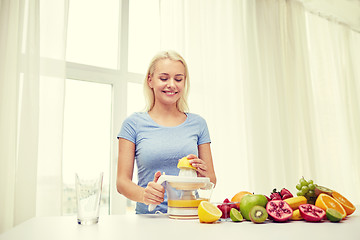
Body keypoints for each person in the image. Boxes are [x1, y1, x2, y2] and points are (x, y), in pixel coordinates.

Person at [116, 50, 216, 214]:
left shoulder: (198, 124)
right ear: (150, 80)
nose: (172, 84)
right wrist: (145, 195)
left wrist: (203, 175)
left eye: (178, 79)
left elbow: (211, 180)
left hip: (189, 217)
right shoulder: (132, 124)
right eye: (164, 78)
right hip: (148, 220)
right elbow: (121, 183)